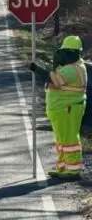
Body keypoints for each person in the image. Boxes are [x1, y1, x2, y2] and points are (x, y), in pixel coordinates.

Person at [30, 35, 87, 179]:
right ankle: (62, 167)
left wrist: (37, 69)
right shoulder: (72, 66)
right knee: (62, 139)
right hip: (62, 108)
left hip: (68, 108)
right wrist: (56, 65)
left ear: (71, 53)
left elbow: (53, 79)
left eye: (64, 52)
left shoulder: (73, 69)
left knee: (69, 140)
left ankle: (73, 170)